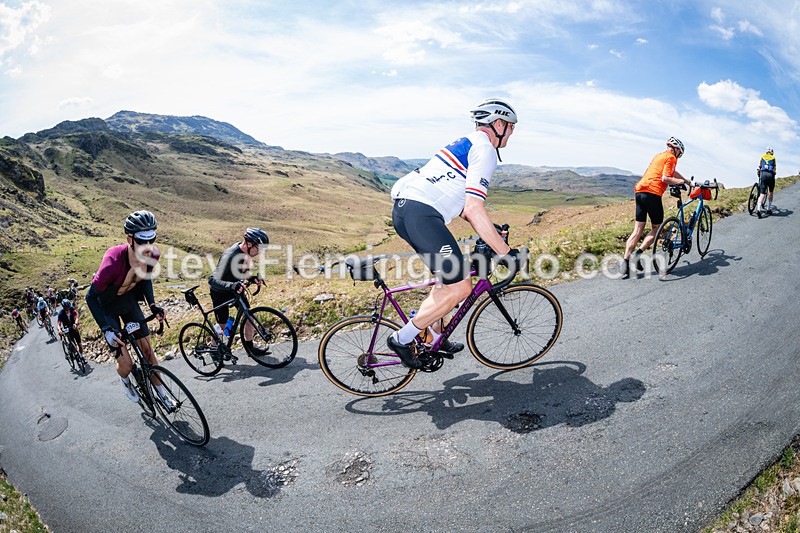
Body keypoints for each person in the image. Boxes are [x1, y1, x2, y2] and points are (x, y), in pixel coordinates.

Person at [387, 98, 521, 368]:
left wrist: (490, 230)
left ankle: (434, 333)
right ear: (498, 124)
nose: (512, 132)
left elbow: (457, 199)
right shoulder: (485, 150)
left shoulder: (467, 142)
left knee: (448, 278)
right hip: (421, 215)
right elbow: (473, 208)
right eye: (511, 126)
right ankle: (402, 339)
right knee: (461, 286)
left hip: (408, 211)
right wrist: (506, 252)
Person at [85, 210, 170, 407]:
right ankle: (125, 380)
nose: (147, 247)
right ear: (129, 239)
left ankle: (163, 396)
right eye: (142, 241)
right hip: (107, 309)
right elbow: (90, 297)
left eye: (152, 240)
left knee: (149, 353)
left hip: (128, 302)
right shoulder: (112, 263)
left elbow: (145, 279)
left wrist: (152, 305)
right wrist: (106, 329)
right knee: (127, 364)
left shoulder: (152, 255)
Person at [621, 137, 691, 279]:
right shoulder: (671, 157)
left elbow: (672, 172)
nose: (679, 156)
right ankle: (638, 254)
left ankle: (625, 262)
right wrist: (681, 182)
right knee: (656, 229)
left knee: (637, 230)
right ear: (676, 150)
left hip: (640, 191)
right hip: (652, 194)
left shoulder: (659, 156)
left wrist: (686, 180)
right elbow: (665, 178)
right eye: (680, 153)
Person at [207, 227, 269, 355]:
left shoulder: (246, 253)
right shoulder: (230, 255)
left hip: (235, 288)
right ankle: (213, 348)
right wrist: (231, 286)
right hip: (220, 291)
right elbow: (212, 280)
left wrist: (251, 278)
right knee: (223, 326)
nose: (259, 252)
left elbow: (240, 271)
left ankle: (250, 348)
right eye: (259, 248)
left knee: (249, 317)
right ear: (249, 244)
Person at [57, 299, 87, 364]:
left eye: (68, 309)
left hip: (73, 327)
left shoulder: (72, 308)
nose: (68, 310)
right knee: (72, 345)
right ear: (63, 308)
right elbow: (58, 324)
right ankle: (73, 353)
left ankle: (81, 356)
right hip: (67, 329)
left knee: (79, 344)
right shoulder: (61, 313)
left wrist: (75, 324)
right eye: (66, 309)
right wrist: (59, 330)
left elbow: (76, 317)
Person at [756, 147, 777, 218]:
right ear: (772, 152)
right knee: (771, 192)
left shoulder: (762, 156)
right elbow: (774, 168)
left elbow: (760, 165)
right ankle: (768, 209)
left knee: (762, 194)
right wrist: (774, 172)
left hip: (763, 174)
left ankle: (758, 209)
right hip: (770, 175)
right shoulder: (773, 158)